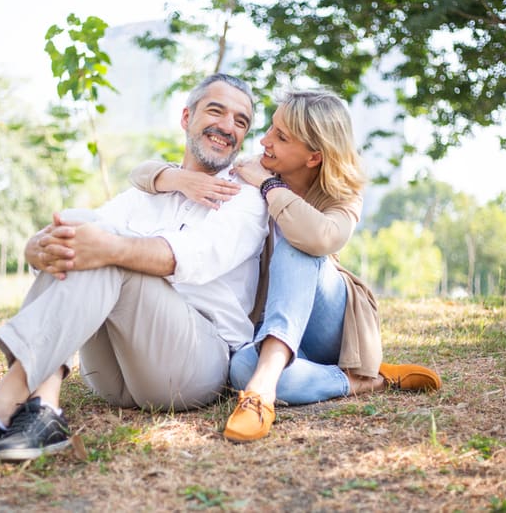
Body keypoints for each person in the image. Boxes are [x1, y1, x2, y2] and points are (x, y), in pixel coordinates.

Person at [0, 73, 270, 464]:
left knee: (111, 250)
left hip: (193, 365)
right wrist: (33, 247)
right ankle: (44, 406)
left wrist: (110, 247)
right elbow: (76, 235)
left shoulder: (243, 196)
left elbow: (187, 258)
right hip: (112, 374)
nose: (228, 127)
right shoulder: (147, 194)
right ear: (186, 117)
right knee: (81, 222)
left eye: (240, 121)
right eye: (216, 111)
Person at [129, 89, 442, 443]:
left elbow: (321, 238)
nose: (264, 141)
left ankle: (262, 391)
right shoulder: (248, 168)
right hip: (273, 328)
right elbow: (140, 173)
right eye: (270, 128)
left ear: (313, 157)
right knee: (241, 368)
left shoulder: (341, 192)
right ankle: (362, 380)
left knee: (297, 246)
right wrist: (178, 179)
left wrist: (269, 185)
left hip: (329, 326)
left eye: (280, 137)